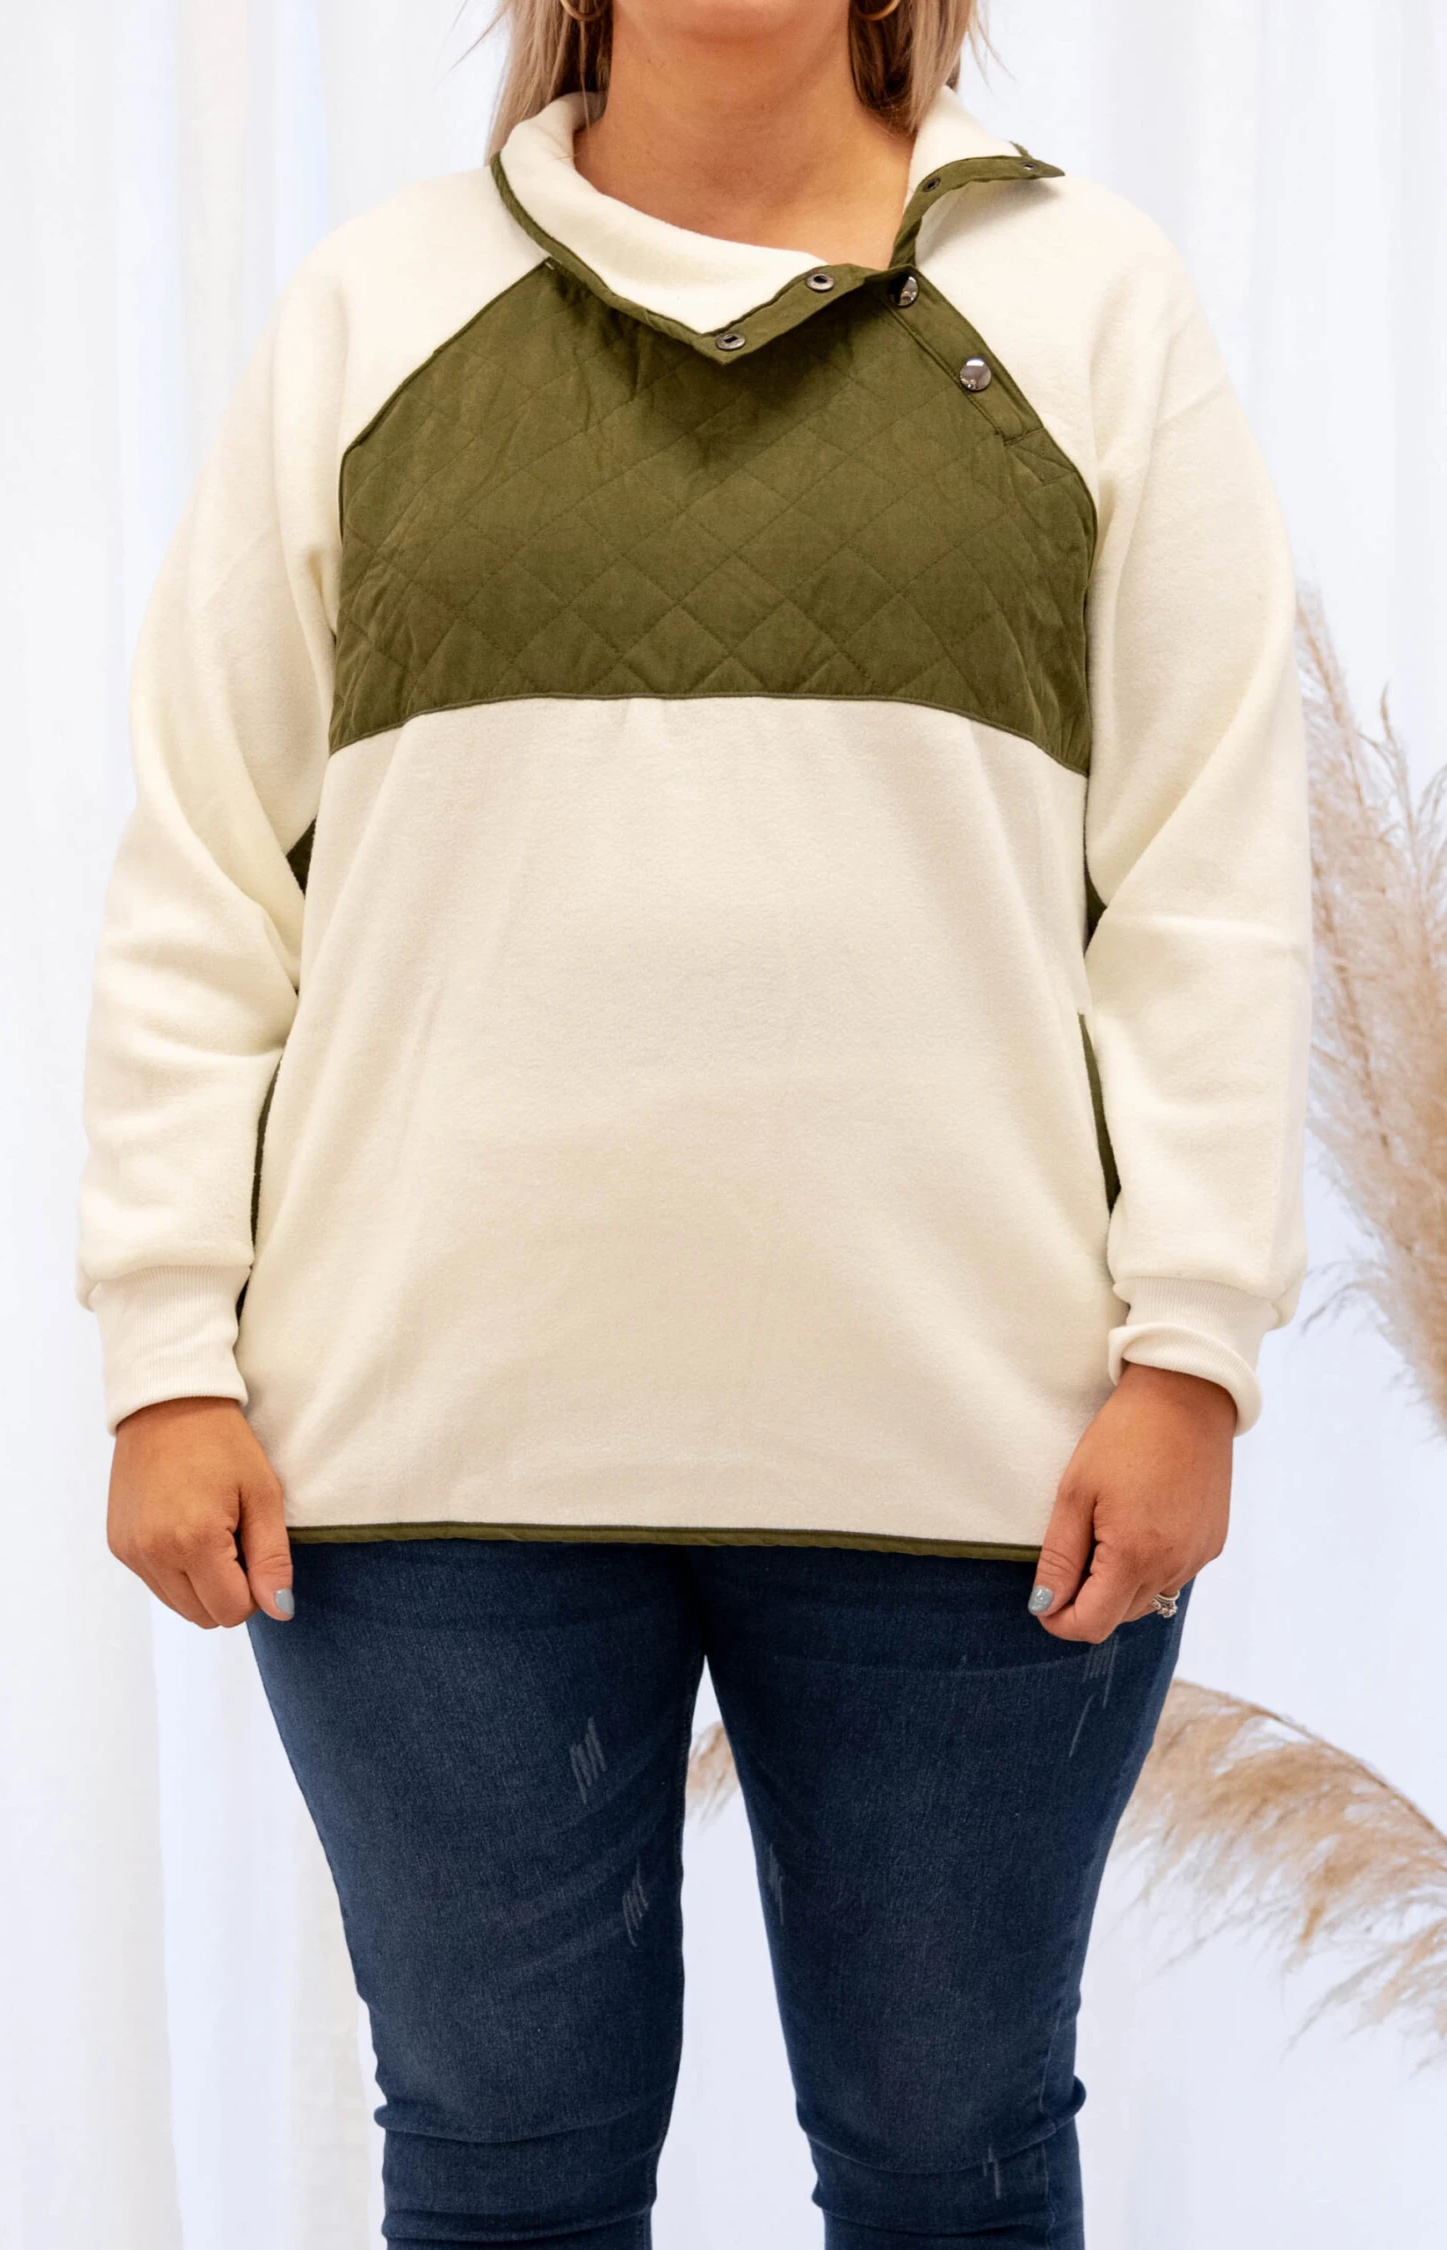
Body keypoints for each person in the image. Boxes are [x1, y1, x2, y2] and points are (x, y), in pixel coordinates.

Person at [79, 1, 1312, 2242]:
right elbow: (208, 875)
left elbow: (1208, 880)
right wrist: (167, 1352)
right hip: (423, 1462)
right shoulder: (375, 306)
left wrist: (1194, 1347)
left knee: (949, 2164)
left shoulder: (1092, 304)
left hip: (985, 1455)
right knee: (504, 2177)